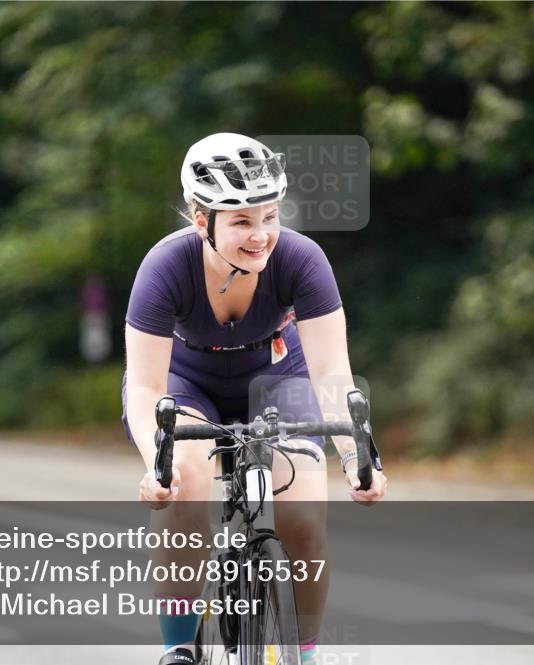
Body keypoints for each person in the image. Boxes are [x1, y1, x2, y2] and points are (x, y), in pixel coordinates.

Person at [122, 134, 387, 665]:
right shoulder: (165, 267)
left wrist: (358, 456)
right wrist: (159, 464)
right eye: (242, 221)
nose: (262, 235)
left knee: (303, 520)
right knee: (188, 485)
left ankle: (305, 653)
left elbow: (331, 371)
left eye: (270, 216)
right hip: (184, 383)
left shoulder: (302, 260)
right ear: (202, 221)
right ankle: (178, 646)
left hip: (278, 379)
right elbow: (147, 386)